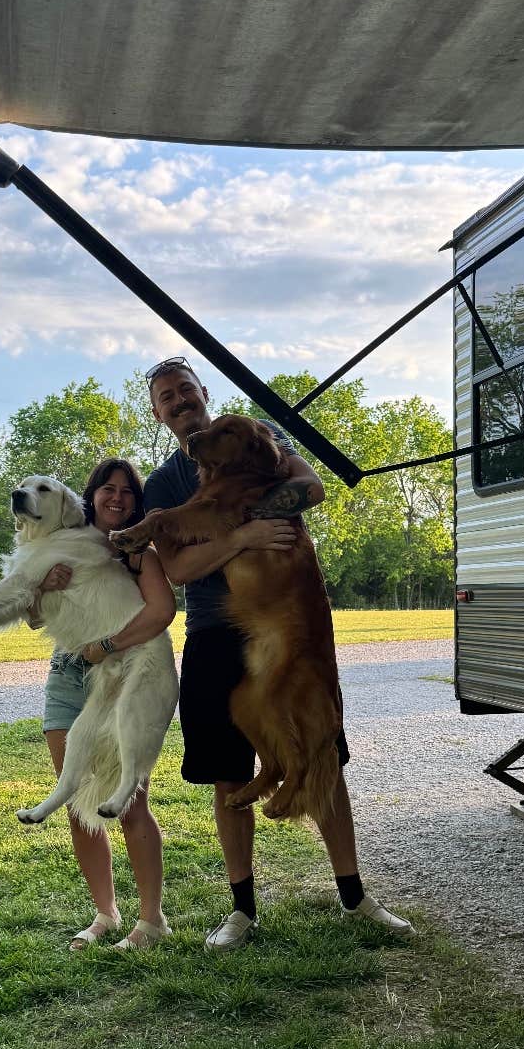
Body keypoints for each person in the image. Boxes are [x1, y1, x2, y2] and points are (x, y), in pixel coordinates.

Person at [135, 359, 412, 950]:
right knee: (227, 773)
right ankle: (242, 910)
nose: (180, 401)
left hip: (291, 621)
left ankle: (355, 896)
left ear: (204, 393)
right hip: (216, 629)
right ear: (157, 413)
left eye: (186, 389)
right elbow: (179, 567)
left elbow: (309, 488)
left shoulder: (260, 436)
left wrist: (244, 516)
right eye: (167, 397)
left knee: (322, 753)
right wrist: (243, 536)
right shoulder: (162, 486)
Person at [29, 457, 176, 952]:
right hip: (67, 679)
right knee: (77, 804)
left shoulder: (139, 556)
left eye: (127, 492)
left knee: (130, 804)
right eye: (107, 489)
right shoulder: (65, 546)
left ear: (137, 503)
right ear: (89, 497)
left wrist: (108, 646)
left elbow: (161, 613)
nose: (117, 498)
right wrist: (42, 590)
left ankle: (151, 920)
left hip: (125, 680)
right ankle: (105, 915)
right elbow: (31, 617)